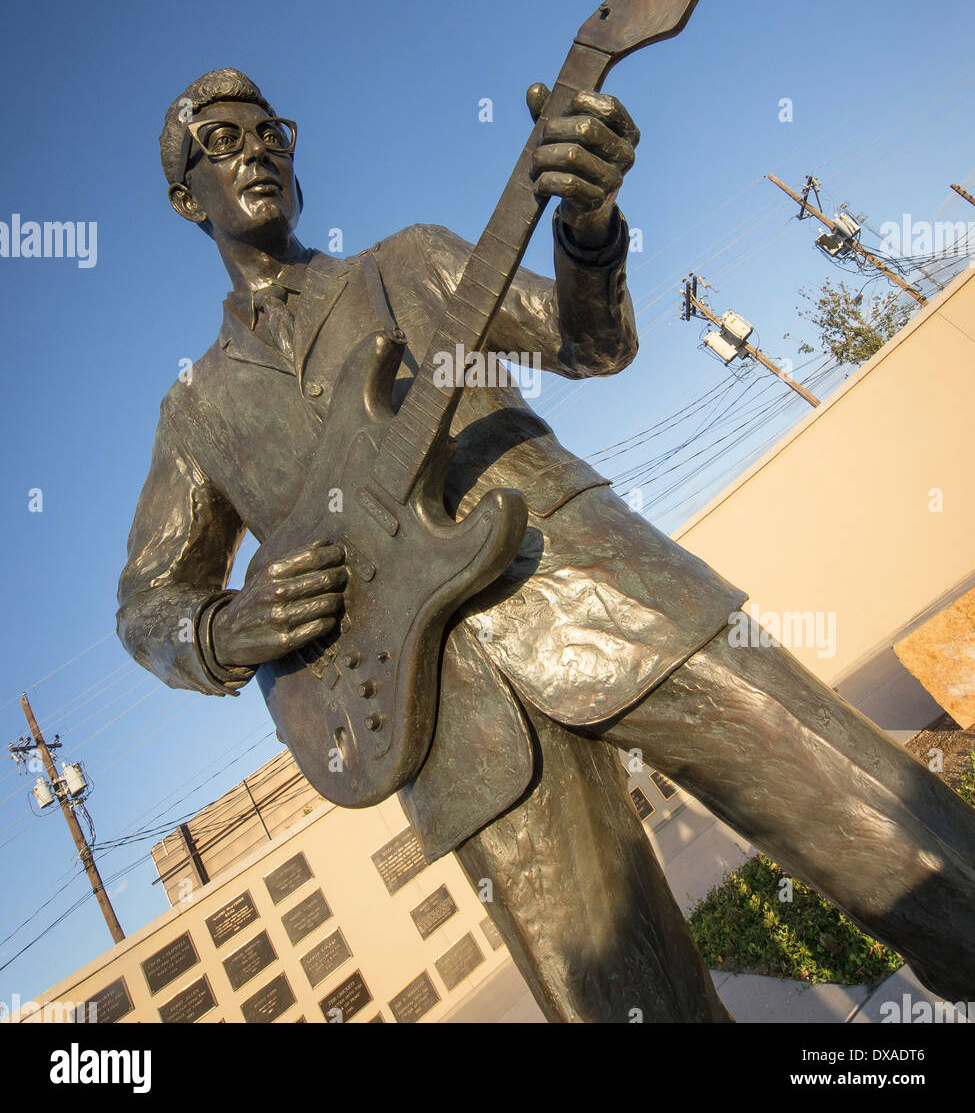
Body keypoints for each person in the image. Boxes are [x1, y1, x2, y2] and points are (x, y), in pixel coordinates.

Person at [118, 67, 975, 1022]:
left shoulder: (412, 263)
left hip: (608, 594)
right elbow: (148, 601)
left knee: (917, 854)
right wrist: (225, 630)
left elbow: (589, 343)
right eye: (224, 143)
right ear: (185, 197)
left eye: (270, 131)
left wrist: (589, 226)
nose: (259, 153)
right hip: (444, 730)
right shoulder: (195, 411)